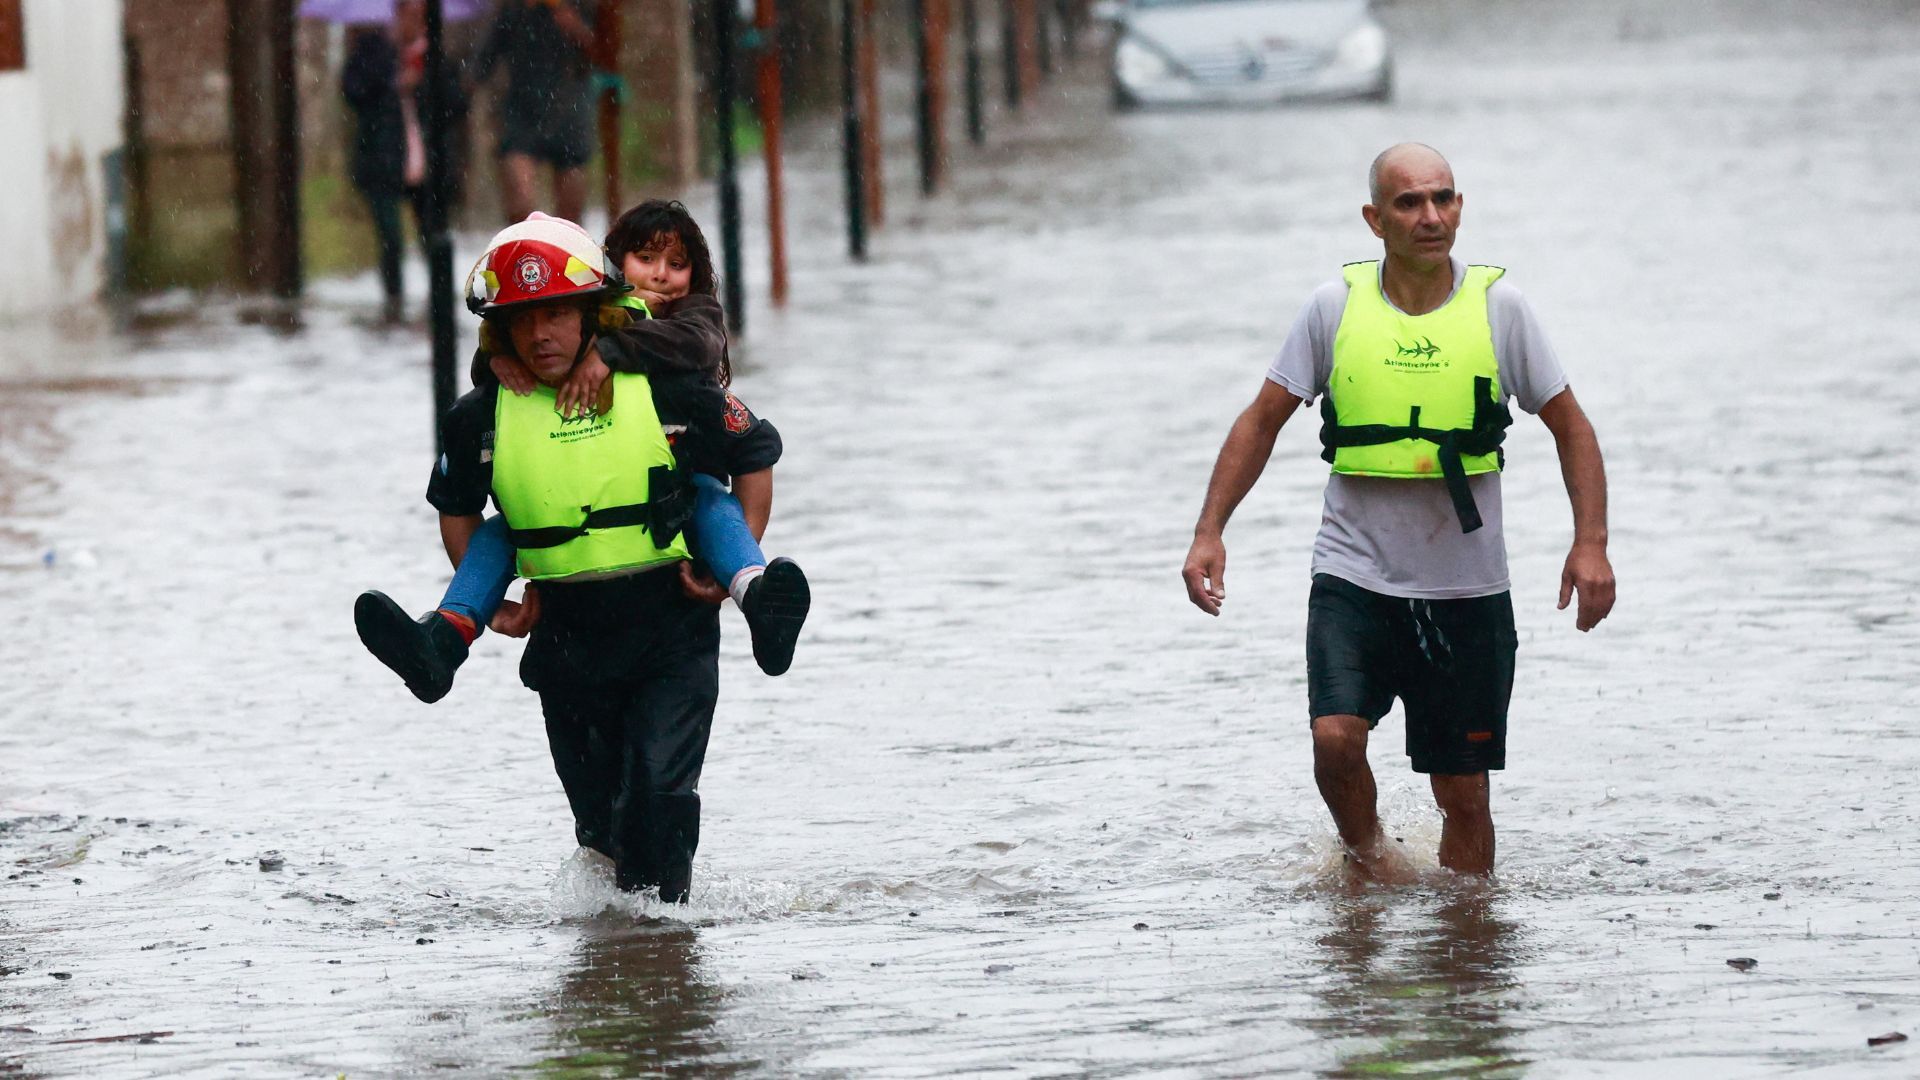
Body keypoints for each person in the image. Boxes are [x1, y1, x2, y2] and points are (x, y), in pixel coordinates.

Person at [1180, 143, 1615, 879]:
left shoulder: (1501, 311)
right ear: (1374, 218)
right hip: (1355, 577)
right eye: (1409, 203)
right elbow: (1261, 420)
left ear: (1460, 208)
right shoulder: (1333, 308)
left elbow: (1571, 426)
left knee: (1463, 794)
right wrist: (1209, 532)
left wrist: (1591, 544)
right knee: (1335, 740)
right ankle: (1374, 864)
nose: (1430, 217)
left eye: (1443, 199)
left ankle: (1469, 949)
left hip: (1465, 589)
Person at [362, 214, 733, 900]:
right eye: (523, 320)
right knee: (600, 828)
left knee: (660, 792)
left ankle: (671, 959)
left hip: (669, 628)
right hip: (567, 641)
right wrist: (498, 599)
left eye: (559, 312)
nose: (541, 333)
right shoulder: (482, 411)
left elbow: (740, 470)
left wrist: (738, 570)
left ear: (594, 309)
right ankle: (617, 951)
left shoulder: (671, 377)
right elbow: (460, 509)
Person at [354, 203, 809, 705]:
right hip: (562, 599)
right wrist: (498, 356)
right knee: (501, 532)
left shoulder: (690, 325)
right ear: (614, 265)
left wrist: (724, 579)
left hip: (671, 516)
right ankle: (444, 638)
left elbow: (750, 441)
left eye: (677, 265)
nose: (660, 275)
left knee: (707, 500)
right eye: (645, 258)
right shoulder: (487, 401)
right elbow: (457, 502)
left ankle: (758, 595)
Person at [341, 1, 467, 323]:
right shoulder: (373, 50)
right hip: (382, 161)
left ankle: (440, 307)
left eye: (420, 15)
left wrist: (422, 84)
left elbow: (456, 104)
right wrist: (391, 81)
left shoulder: (436, 56)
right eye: (408, 13)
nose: (413, 21)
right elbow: (352, 91)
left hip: (428, 165)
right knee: (390, 239)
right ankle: (393, 305)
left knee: (433, 237)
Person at [474, 0, 597, 224]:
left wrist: (571, 23)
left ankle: (562, 255)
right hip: (523, 110)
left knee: (570, 211)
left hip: (568, 109)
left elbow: (601, 53)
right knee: (520, 203)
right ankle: (524, 253)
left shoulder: (582, 6)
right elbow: (483, 61)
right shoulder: (512, 10)